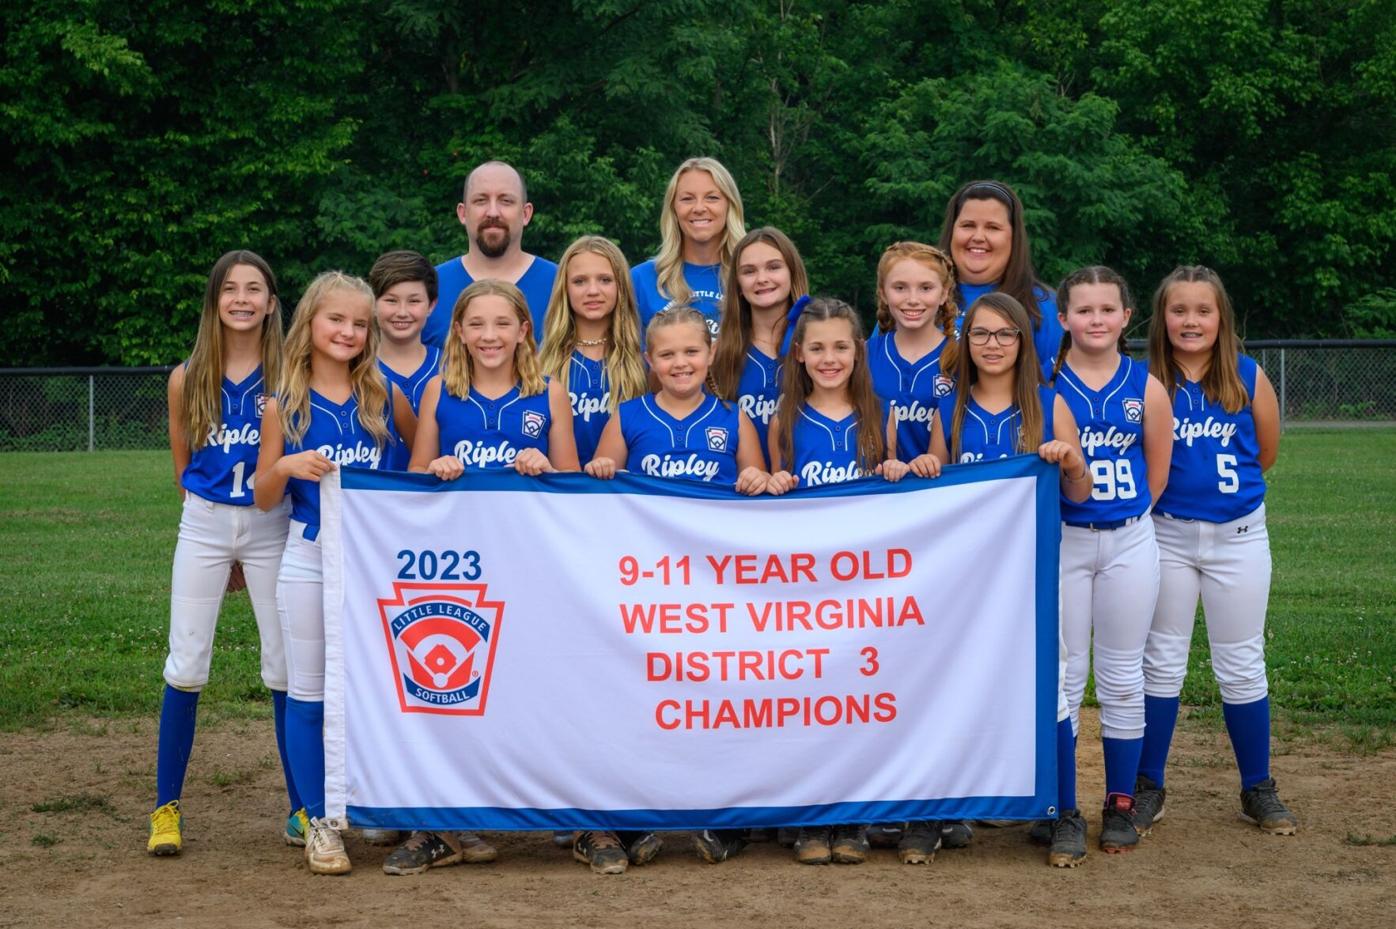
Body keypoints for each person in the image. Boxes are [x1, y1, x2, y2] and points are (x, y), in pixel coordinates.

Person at [254, 271, 416, 875]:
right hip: (307, 556)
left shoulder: (386, 395)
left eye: (358, 322)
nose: (347, 331)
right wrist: (288, 464)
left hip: (375, 566)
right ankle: (318, 820)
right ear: (310, 325)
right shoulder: (284, 402)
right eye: (335, 320)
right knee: (309, 692)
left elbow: (415, 471)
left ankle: (370, 802)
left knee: (375, 689)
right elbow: (264, 495)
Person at [923, 292, 1093, 867]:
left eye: (1004, 334)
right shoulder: (949, 410)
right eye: (980, 334)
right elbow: (933, 494)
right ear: (965, 343)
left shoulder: (1049, 403)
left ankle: (1064, 812)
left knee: (1051, 688)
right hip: (966, 580)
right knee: (951, 684)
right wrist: (919, 467)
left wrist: (1068, 460)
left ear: (1023, 342)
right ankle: (942, 809)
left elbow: (1081, 491)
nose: (992, 345)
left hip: (1034, 574)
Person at [148, 250, 299, 857]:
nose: (242, 299)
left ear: (270, 301)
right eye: (230, 289)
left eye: (254, 288)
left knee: (286, 665)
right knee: (185, 663)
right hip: (206, 523)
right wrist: (219, 534)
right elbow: (183, 467)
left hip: (274, 523)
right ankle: (165, 808)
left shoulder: (290, 374)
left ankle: (304, 807)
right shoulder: (189, 376)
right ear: (215, 301)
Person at [1136, 266, 1296, 836]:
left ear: (1221, 317)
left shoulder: (1247, 377)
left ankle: (1258, 786)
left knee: (1241, 661)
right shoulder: (1145, 379)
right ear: (1162, 318)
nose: (1190, 321)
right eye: (1179, 310)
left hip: (1238, 537)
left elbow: (1266, 455)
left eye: (1203, 310)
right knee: (1161, 660)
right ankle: (1147, 784)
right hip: (1166, 534)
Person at [765, 296, 909, 865]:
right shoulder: (783, 418)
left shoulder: (882, 413)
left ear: (858, 351)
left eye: (841, 347)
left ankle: (850, 814)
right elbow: (773, 493)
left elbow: (900, 498)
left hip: (861, 591)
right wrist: (775, 483)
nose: (829, 358)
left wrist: (898, 470)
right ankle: (806, 816)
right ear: (798, 354)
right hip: (802, 589)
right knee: (803, 702)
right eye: (817, 348)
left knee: (853, 704)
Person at [1050, 266, 1172, 854]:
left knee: (1123, 676)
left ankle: (1120, 801)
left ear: (1126, 318)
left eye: (1107, 310)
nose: (1095, 320)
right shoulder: (1046, 385)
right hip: (1064, 540)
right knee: (1065, 679)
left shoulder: (1147, 386)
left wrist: (1125, 518)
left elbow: (1157, 474)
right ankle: (1062, 805)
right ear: (1063, 318)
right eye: (1083, 310)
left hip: (1128, 536)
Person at [586, 306, 769, 494]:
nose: (680, 363)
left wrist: (758, 479)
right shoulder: (626, 416)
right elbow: (599, 492)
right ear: (650, 361)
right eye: (667, 355)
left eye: (691, 352)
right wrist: (600, 468)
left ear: (711, 353)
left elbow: (759, 485)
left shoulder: (734, 418)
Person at [937, 179, 1064, 381]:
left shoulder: (1043, 308)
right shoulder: (917, 298)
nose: (978, 236)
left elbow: (1058, 393)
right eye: (968, 225)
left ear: (1014, 238)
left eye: (993, 228)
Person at [538, 236, 648, 467]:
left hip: (626, 494)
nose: (593, 290)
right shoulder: (540, 363)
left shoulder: (645, 359)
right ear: (564, 289)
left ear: (621, 286)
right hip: (559, 493)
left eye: (605, 280)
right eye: (579, 281)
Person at [421, 161, 558, 347]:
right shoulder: (426, 288)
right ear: (463, 213)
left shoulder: (561, 285)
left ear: (526, 214)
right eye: (481, 201)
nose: (493, 212)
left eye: (506, 201)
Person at [710, 227, 810, 465]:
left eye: (774, 267)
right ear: (738, 285)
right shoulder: (718, 354)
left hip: (806, 488)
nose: (762, 278)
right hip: (740, 491)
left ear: (792, 273)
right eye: (749, 271)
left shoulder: (820, 348)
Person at [631, 157, 747, 335]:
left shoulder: (752, 277)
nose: (699, 208)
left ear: (730, 206)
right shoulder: (640, 280)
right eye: (687, 199)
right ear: (673, 210)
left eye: (712, 198)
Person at [867, 242, 958, 466]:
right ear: (883, 294)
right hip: (876, 491)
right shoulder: (864, 355)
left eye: (926, 288)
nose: (913, 299)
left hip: (940, 492)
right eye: (900, 288)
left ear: (944, 293)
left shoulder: (961, 358)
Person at [369, 249, 440, 477]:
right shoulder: (354, 370)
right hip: (374, 501)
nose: (402, 312)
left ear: (431, 305)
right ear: (372, 304)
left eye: (414, 301)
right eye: (391, 300)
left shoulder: (454, 368)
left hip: (441, 499)